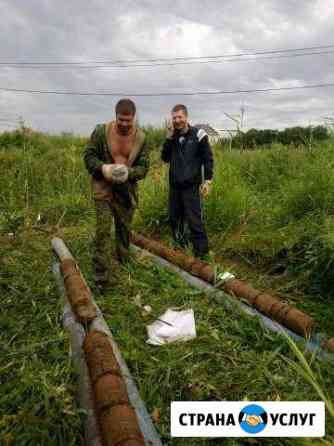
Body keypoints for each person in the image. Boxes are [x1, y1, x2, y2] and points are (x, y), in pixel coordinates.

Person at [84, 98, 150, 290]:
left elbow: (144, 167)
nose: (123, 123)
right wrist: (103, 168)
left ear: (133, 118)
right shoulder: (100, 132)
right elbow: (88, 157)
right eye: (120, 119)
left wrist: (129, 173)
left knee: (124, 229)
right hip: (103, 188)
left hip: (125, 191)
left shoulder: (141, 138)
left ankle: (123, 262)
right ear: (115, 116)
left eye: (127, 120)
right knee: (103, 231)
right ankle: (101, 277)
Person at [161, 104, 214, 258]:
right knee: (174, 219)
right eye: (174, 117)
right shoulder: (172, 137)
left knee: (194, 221)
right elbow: (164, 158)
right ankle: (180, 250)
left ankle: (202, 254)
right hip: (175, 187)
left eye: (180, 117)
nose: (177, 120)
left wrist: (208, 181)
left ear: (186, 117)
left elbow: (208, 159)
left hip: (191, 187)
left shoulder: (199, 135)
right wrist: (168, 138)